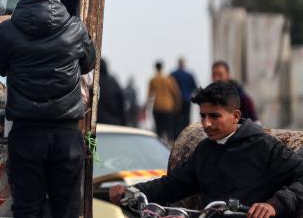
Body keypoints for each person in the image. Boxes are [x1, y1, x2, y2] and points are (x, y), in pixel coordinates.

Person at [0, 0, 96, 218]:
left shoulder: (7, 30)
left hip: (27, 135)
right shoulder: (76, 29)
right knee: (67, 211)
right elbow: (88, 64)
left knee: (27, 209)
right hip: (67, 134)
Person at [110, 82, 303, 218]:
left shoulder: (264, 146)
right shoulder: (204, 150)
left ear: (235, 116)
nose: (206, 124)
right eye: (202, 116)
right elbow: (173, 184)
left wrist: (274, 204)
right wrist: (132, 191)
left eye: (214, 116)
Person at [148, 60, 181, 142]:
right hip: (168, 107)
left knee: (159, 130)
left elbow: (149, 95)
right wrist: (177, 106)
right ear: (162, 67)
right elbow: (176, 93)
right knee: (169, 129)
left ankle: (159, 146)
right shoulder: (169, 79)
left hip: (157, 107)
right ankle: (170, 146)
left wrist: (147, 107)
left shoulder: (153, 79)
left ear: (155, 68)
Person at [171, 57, 199, 138]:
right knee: (186, 119)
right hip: (186, 99)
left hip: (176, 101)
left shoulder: (173, 74)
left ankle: (176, 137)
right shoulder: (189, 75)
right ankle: (186, 136)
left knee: (176, 120)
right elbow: (195, 87)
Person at [97, 59, 126, 126]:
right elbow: (121, 104)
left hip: (98, 124)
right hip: (113, 123)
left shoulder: (92, 83)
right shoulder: (113, 82)